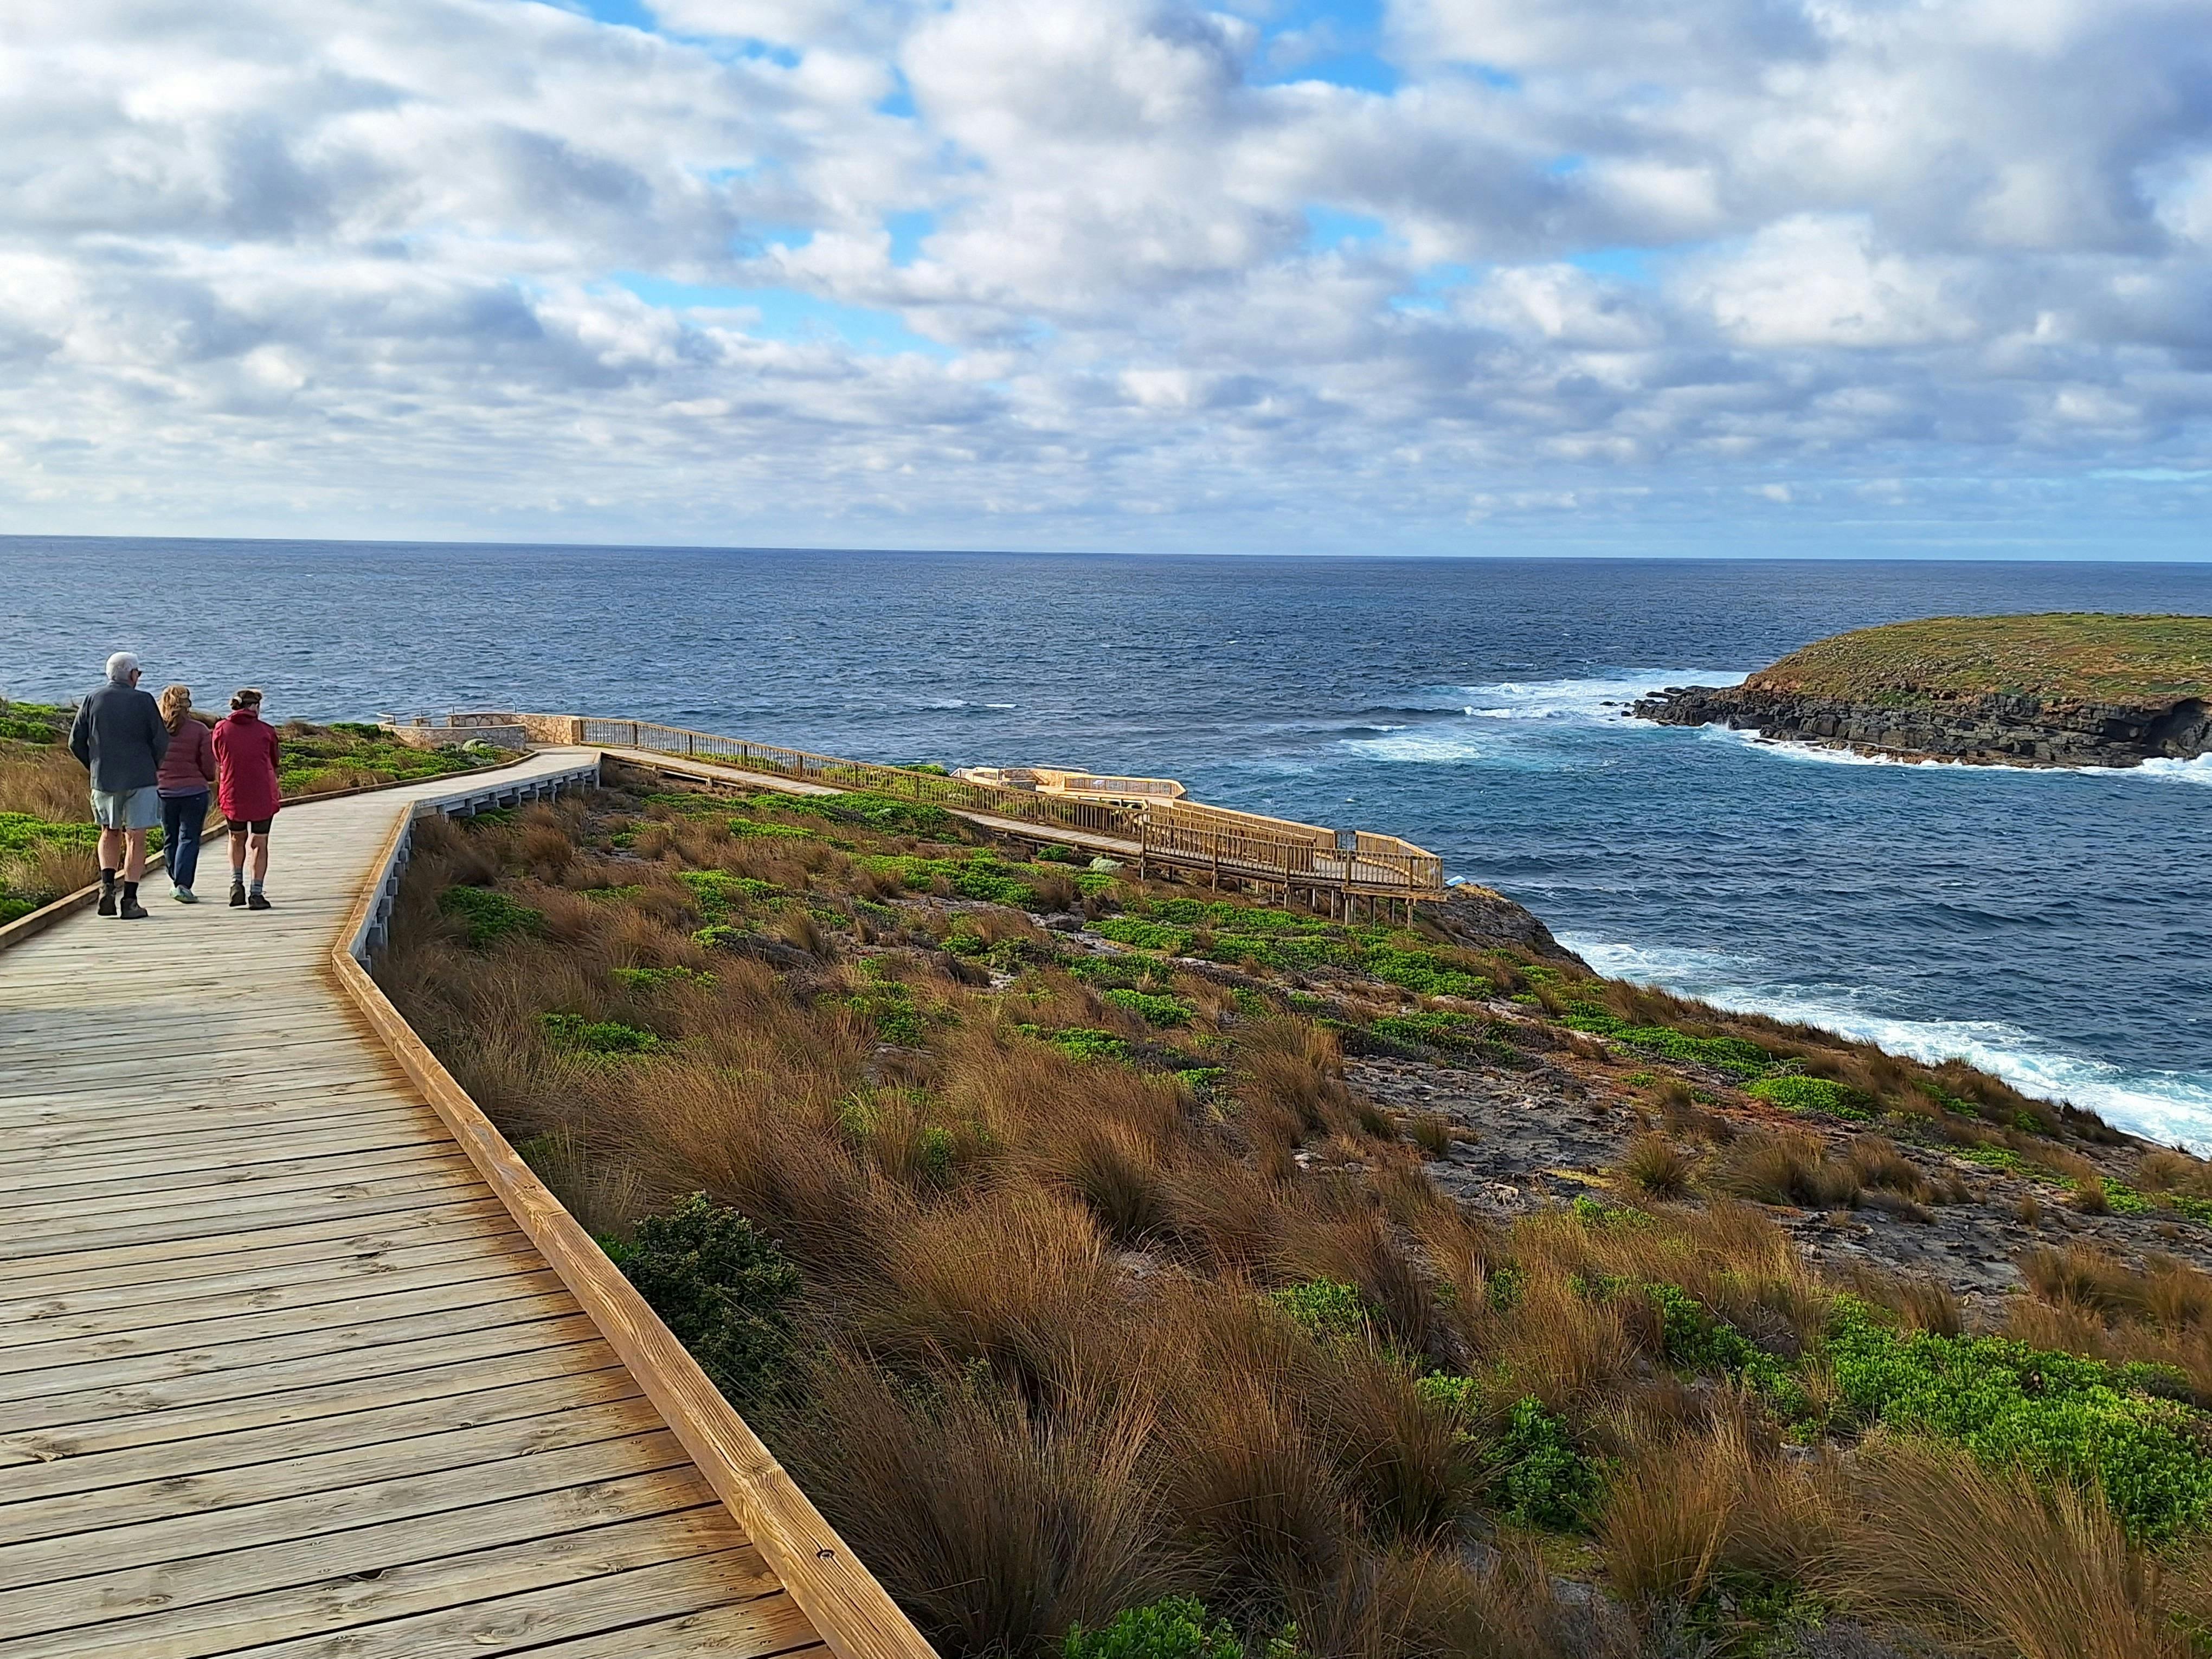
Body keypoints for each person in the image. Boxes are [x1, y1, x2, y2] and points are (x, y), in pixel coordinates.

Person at [67, 651, 169, 921]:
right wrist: (151, 764)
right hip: (141, 778)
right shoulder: (145, 701)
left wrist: (95, 766)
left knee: (109, 832)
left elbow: (75, 742)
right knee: (136, 836)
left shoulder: (92, 699)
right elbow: (161, 741)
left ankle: (107, 890)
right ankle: (131, 900)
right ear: (132, 675)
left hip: (105, 779)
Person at [213, 687, 281, 911]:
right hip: (261, 794)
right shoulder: (266, 732)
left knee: (236, 838)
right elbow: (274, 760)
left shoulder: (221, 729)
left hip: (233, 793)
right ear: (254, 707)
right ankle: (257, 892)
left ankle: (236, 884)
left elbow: (218, 756)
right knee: (260, 842)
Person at [153, 685, 217, 903]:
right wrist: (209, 777)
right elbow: (208, 766)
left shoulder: (156, 729)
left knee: (170, 838)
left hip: (164, 791)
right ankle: (182, 884)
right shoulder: (199, 730)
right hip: (194, 791)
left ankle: (177, 880)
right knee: (189, 838)